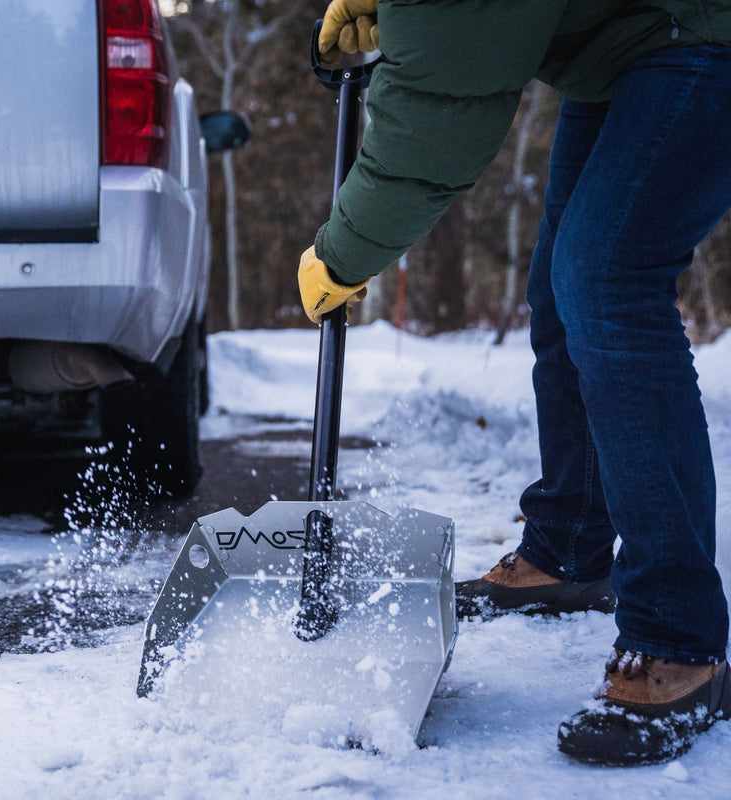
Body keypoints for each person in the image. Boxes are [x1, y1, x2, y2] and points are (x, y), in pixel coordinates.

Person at [297, 0, 731, 766]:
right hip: (634, 38)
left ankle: (678, 635)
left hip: (702, 32)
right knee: (566, 288)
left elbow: (435, 124)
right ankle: (570, 546)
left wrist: (346, 250)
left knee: (605, 279)